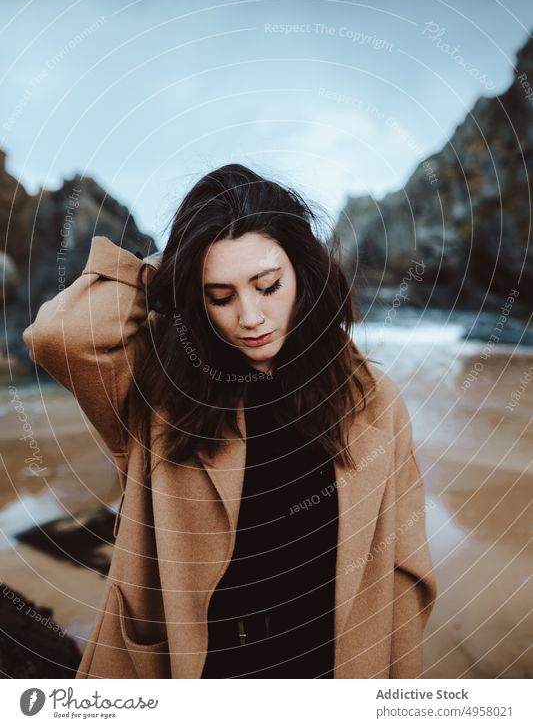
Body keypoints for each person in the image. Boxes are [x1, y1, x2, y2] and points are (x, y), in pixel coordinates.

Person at [22, 163, 437, 679]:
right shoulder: (158, 395)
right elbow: (59, 335)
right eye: (220, 295)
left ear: (304, 273)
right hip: (199, 672)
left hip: (328, 671)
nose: (250, 317)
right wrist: (174, 268)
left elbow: (403, 569)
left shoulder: (373, 402)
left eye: (267, 286)